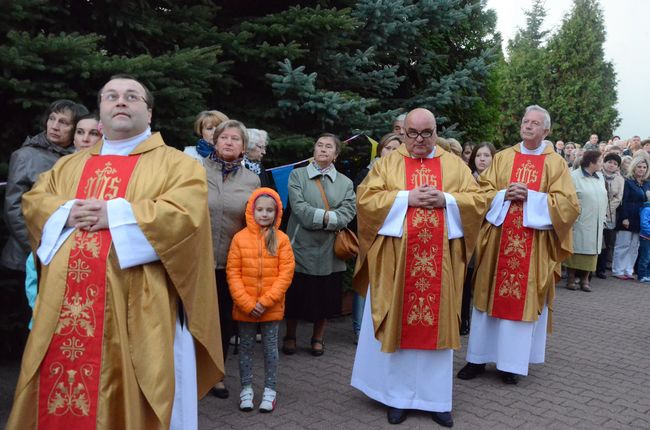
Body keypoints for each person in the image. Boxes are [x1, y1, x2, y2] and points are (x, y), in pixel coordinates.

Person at [7, 75, 223, 429]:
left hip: (138, 306)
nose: (120, 101)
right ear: (101, 109)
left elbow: (186, 216)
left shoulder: (177, 164)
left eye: (131, 96)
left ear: (148, 112)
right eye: (111, 96)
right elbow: (34, 202)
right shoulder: (68, 165)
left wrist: (117, 214)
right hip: (62, 309)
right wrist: (65, 212)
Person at [351, 108, 486, 427]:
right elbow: (366, 201)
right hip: (397, 265)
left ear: (436, 131)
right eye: (412, 133)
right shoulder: (388, 163)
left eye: (427, 133)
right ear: (403, 132)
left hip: (442, 267)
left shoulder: (454, 165)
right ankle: (397, 398)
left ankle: (436, 400)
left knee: (436, 331)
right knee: (399, 325)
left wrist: (447, 201)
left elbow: (477, 202)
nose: (420, 140)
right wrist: (405, 198)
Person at [457, 105, 579, 386]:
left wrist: (533, 198)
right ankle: (476, 358)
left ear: (546, 131)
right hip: (498, 243)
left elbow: (569, 205)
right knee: (486, 298)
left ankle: (509, 364)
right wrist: (502, 194)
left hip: (532, 246)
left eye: (535, 123)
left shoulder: (556, 164)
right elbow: (480, 192)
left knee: (520, 302)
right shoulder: (504, 157)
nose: (528, 126)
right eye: (525, 121)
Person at [283, 133, 356, 357]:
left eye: (328, 147)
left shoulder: (345, 183)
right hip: (300, 246)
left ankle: (318, 338)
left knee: (325, 296)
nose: (323, 149)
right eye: (319, 145)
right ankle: (290, 335)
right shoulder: (297, 175)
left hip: (330, 250)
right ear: (314, 149)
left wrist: (323, 218)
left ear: (335, 155)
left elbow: (348, 213)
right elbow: (300, 210)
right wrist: (329, 219)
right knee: (295, 294)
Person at [205, 119, 260, 399]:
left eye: (235, 139)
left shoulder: (252, 180)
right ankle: (187, 373)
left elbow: (256, 222)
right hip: (196, 262)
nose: (228, 142)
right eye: (224, 137)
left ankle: (216, 375)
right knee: (191, 319)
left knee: (223, 322)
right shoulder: (194, 171)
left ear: (243, 147)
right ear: (214, 141)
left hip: (230, 263)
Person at [226, 188, 295, 412]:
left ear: (276, 213)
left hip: (270, 308)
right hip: (245, 307)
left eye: (269, 210)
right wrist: (246, 303)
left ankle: (270, 390)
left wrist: (265, 301)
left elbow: (286, 274)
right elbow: (233, 272)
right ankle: (246, 388)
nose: (264, 214)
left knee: (270, 349)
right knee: (245, 348)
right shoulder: (239, 238)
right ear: (251, 211)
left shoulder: (282, 239)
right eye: (260, 209)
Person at [351, 132, 402, 344]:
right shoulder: (367, 172)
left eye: (396, 149)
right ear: (381, 149)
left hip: (395, 237)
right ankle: (359, 328)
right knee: (367, 278)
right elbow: (362, 203)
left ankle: (387, 322)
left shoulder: (402, 174)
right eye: (388, 148)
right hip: (371, 234)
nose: (391, 152)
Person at [460, 141, 497, 336]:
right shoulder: (466, 178)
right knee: (465, 279)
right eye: (478, 156)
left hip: (489, 237)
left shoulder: (498, 182)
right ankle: (463, 319)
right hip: (469, 237)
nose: (482, 159)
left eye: (487, 156)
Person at [565, 150, 608, 291]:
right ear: (591, 162)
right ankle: (571, 279)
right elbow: (568, 199)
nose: (602, 164)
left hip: (596, 220)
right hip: (580, 219)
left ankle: (585, 281)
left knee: (593, 251)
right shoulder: (574, 176)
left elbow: (603, 196)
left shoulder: (600, 177)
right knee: (576, 249)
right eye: (600, 161)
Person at [612, 156, 650, 280]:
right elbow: (624, 200)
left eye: (644, 167)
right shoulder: (628, 182)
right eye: (639, 167)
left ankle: (628, 270)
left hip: (641, 218)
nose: (642, 169)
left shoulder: (646, 184)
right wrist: (625, 218)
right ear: (634, 167)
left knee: (635, 246)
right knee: (623, 245)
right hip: (628, 216)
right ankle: (618, 270)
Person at [596, 153, 624, 279]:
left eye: (615, 164)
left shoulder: (620, 180)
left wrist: (607, 209)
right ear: (604, 162)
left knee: (606, 243)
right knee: (594, 241)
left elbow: (618, 198)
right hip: (595, 211)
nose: (611, 165)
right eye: (609, 162)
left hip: (609, 215)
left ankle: (600, 269)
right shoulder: (596, 175)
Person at [637, 201, 650, 283]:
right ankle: (642, 275)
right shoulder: (647, 209)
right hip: (645, 237)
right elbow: (644, 223)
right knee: (645, 257)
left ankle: (648, 275)